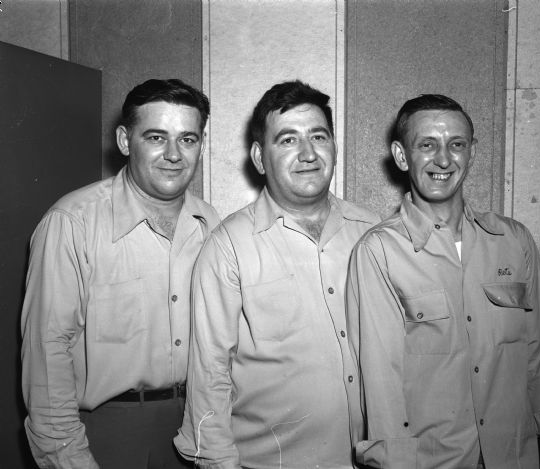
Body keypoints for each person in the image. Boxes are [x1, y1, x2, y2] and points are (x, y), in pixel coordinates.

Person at [346, 94, 540, 469]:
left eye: (456, 145)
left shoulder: (514, 241)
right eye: (427, 145)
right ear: (402, 156)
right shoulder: (379, 252)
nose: (443, 159)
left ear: (471, 152)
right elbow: (382, 390)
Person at [174, 80, 380, 468]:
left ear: (334, 146)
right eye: (287, 140)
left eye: (318, 136)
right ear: (258, 156)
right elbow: (209, 373)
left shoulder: (374, 234)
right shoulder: (228, 246)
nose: (307, 153)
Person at [21, 78, 220, 469]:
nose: (174, 154)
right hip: (104, 435)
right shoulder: (72, 222)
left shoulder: (210, 223)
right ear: (126, 141)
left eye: (188, 139)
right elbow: (48, 354)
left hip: (197, 428)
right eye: (157, 137)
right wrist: (68, 459)